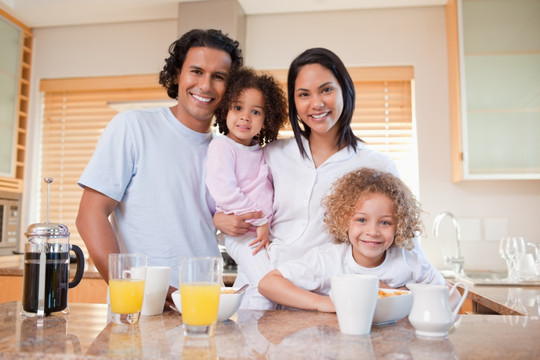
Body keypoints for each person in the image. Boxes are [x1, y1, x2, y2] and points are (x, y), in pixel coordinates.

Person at [76, 29, 243, 308]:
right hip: (142, 308)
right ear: (177, 74)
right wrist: (135, 288)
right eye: (196, 71)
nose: (205, 85)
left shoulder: (224, 152)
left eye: (218, 77)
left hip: (204, 304)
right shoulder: (133, 127)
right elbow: (90, 215)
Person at [213, 48, 399, 293]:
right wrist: (219, 219)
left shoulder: (376, 166)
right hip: (261, 287)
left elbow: (402, 241)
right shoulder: (272, 154)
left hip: (326, 296)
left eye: (326, 90)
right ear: (294, 101)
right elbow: (235, 200)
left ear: (346, 90)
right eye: (303, 94)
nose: (316, 103)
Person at [258, 168, 459, 312]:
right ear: (345, 220)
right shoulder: (329, 260)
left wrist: (402, 297)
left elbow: (453, 298)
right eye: (361, 220)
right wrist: (322, 303)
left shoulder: (409, 261)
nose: (372, 231)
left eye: (385, 223)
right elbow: (269, 284)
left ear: (399, 225)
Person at [205, 67, 288, 309]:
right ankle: (258, 344)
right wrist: (261, 220)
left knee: (250, 284)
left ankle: (245, 340)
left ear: (266, 120)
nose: (245, 117)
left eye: (255, 112)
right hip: (243, 233)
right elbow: (224, 192)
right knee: (268, 285)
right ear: (225, 109)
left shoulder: (261, 152)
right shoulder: (222, 148)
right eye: (238, 108)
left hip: (261, 234)